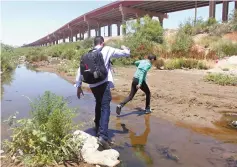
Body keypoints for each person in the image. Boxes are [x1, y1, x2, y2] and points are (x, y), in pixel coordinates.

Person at [75, 36, 130, 149]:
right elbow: (125, 53)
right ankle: (103, 136)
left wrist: (79, 86)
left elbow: (80, 69)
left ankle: (97, 127)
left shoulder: (88, 54)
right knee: (105, 107)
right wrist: (125, 48)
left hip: (93, 85)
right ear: (102, 43)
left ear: (94, 43)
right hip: (103, 83)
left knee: (98, 103)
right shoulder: (107, 49)